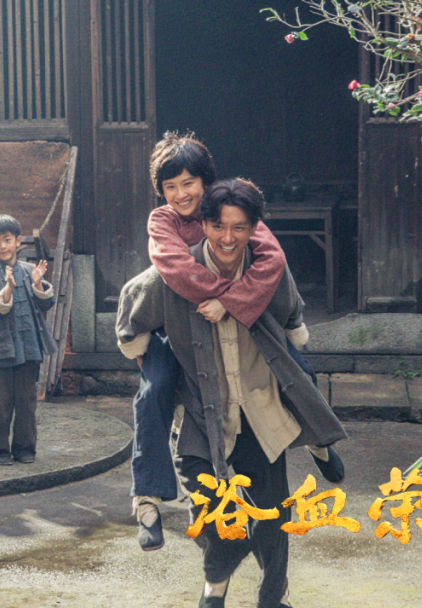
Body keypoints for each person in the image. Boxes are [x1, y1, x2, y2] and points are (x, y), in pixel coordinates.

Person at [117, 178, 347, 608]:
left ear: (254, 229)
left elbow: (292, 314)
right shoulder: (173, 274)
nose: (228, 238)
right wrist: (148, 356)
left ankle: (273, 597)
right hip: (201, 418)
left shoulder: (267, 270)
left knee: (273, 514)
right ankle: (214, 588)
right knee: (210, 515)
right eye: (219, 226)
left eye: (239, 228)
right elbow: (132, 310)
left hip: (259, 410)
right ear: (203, 224)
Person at [0, 214, 56, 466]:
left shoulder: (30, 270)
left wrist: (38, 285)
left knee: (26, 402)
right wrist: (9, 288)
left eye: (7, 240)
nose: (3, 246)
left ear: (18, 241)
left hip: (29, 346)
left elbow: (48, 303)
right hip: (1, 349)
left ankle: (24, 449)